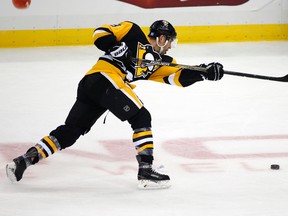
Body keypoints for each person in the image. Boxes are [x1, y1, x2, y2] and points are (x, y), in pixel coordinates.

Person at [6, 20, 224, 189]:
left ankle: (25, 160)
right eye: (170, 41)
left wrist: (204, 72)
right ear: (161, 38)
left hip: (94, 88)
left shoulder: (158, 63)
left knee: (71, 132)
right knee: (141, 117)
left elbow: (177, 76)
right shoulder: (133, 31)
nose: (170, 47)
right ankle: (146, 171)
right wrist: (115, 47)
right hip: (102, 78)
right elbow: (99, 33)